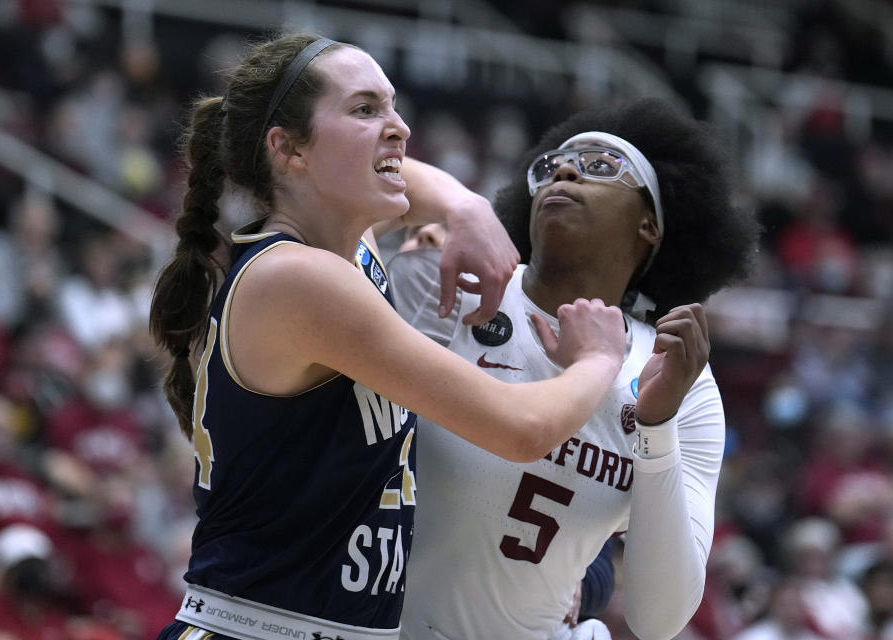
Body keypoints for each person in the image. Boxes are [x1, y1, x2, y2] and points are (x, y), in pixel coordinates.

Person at [149, 33, 631, 640]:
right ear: (289, 150)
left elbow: (412, 184)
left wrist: (464, 206)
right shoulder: (298, 278)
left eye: (394, 105)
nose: (399, 127)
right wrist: (598, 359)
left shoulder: (350, 250)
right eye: (365, 109)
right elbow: (522, 429)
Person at [389, 98, 761, 640]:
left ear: (649, 224)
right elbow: (321, 179)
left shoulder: (681, 379)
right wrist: (461, 205)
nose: (563, 170)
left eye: (602, 166)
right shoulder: (447, 282)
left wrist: (655, 430)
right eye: (552, 166)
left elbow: (660, 618)